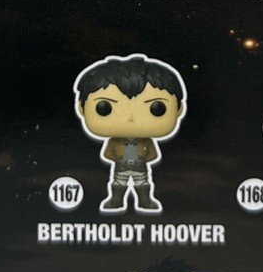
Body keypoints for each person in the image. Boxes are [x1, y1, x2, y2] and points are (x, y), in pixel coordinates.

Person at [75, 54, 186, 214]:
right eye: (104, 107)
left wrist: (141, 160)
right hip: (121, 166)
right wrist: (121, 160)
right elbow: (108, 154)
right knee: (118, 184)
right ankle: (116, 201)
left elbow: (153, 155)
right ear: (82, 108)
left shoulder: (146, 141)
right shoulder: (115, 141)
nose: (131, 118)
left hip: (140, 166)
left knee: (143, 184)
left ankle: (145, 201)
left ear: (179, 109)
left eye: (157, 108)